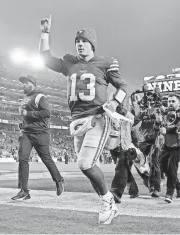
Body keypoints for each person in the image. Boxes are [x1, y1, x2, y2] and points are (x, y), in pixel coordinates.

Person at [39, 16, 127, 225]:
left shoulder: (105, 63)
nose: (79, 44)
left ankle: (108, 201)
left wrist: (114, 103)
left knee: (85, 163)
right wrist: (44, 33)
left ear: (92, 44)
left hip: (98, 118)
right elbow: (45, 58)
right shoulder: (69, 62)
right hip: (77, 122)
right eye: (77, 41)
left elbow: (122, 87)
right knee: (86, 165)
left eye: (84, 41)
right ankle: (108, 201)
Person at [11, 75, 64, 201]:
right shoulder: (25, 99)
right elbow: (25, 116)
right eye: (22, 83)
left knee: (46, 159)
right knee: (22, 159)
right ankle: (24, 191)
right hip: (26, 133)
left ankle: (58, 180)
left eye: (25, 82)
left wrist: (28, 113)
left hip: (40, 133)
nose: (23, 85)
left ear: (32, 84)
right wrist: (23, 123)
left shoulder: (40, 97)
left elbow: (47, 113)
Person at [160, 95, 180, 203]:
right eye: (169, 101)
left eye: (173, 101)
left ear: (178, 103)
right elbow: (159, 126)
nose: (170, 103)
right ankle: (179, 186)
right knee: (163, 166)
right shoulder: (165, 113)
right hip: (167, 144)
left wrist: (166, 130)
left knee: (172, 166)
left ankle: (169, 193)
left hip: (179, 145)